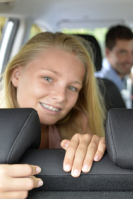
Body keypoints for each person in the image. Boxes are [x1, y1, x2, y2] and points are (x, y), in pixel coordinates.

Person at [0, 32, 106, 198]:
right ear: (16, 75)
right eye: (48, 78)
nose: (61, 97)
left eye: (72, 88)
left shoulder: (79, 123)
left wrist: (99, 151)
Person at [94, 24, 133, 91]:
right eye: (123, 52)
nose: (130, 59)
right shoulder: (102, 85)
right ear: (107, 53)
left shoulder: (117, 72)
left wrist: (129, 73)